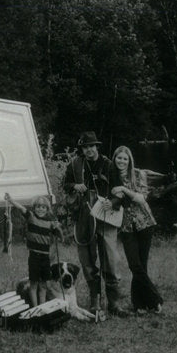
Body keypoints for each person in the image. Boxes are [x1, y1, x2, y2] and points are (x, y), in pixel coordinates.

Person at [61, 131, 126, 318]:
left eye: (91, 146)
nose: (88, 150)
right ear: (81, 148)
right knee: (87, 260)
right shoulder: (75, 164)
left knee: (111, 259)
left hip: (106, 217)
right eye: (85, 147)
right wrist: (74, 186)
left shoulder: (109, 165)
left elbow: (120, 192)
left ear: (97, 146)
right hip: (83, 216)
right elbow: (65, 184)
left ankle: (114, 303)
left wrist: (112, 202)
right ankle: (94, 302)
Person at [110, 145, 164, 314]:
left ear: (130, 160)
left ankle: (140, 305)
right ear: (114, 159)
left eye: (125, 158)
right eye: (119, 158)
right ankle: (156, 299)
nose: (122, 161)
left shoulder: (139, 174)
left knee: (142, 265)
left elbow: (141, 198)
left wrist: (124, 189)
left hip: (144, 223)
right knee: (134, 265)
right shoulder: (112, 178)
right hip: (126, 226)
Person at [4, 192, 64, 307]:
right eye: (38, 207)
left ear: (47, 209)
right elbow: (21, 208)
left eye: (43, 207)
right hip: (34, 257)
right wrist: (11, 200)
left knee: (43, 285)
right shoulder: (31, 217)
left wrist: (58, 228)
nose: (40, 209)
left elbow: (61, 238)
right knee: (34, 284)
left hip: (45, 258)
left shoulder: (50, 223)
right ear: (34, 208)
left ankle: (42, 307)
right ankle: (35, 307)